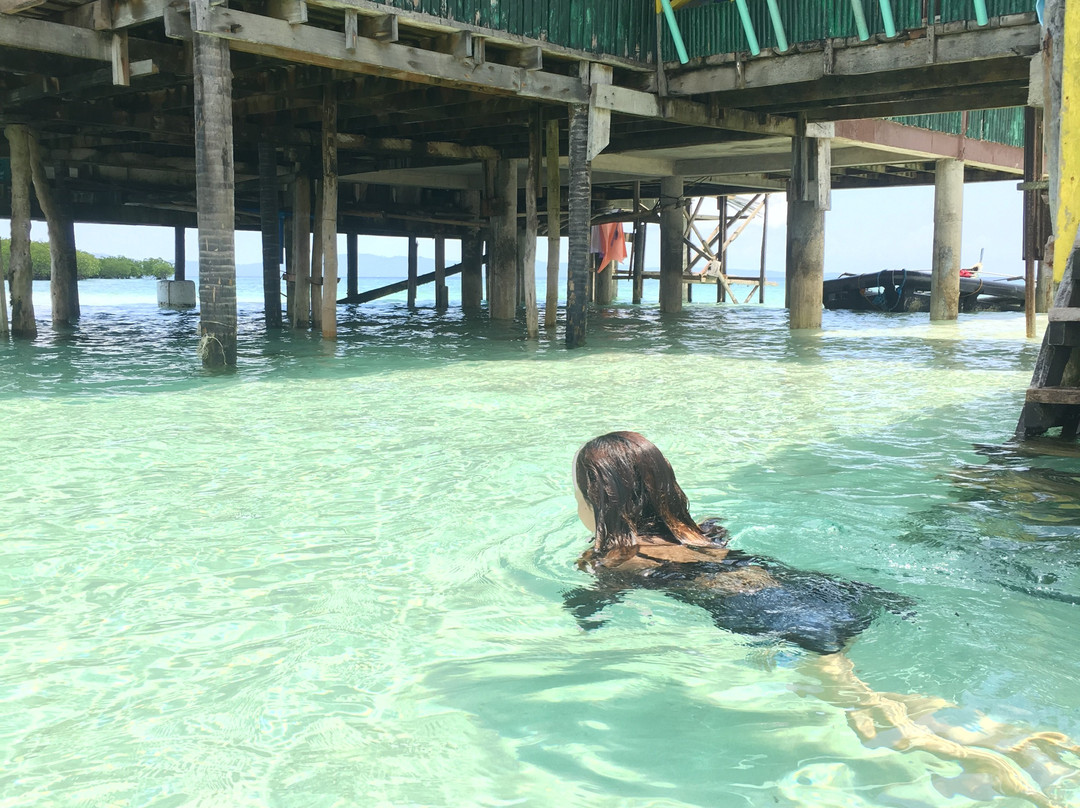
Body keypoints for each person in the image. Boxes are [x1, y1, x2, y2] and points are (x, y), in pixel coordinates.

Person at [565, 431, 1080, 808]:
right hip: (826, 591)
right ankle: (1020, 738)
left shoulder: (615, 560)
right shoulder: (702, 533)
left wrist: (582, 612)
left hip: (776, 616)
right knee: (867, 692)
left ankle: (998, 768)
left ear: (598, 501)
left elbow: (593, 610)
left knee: (867, 709)